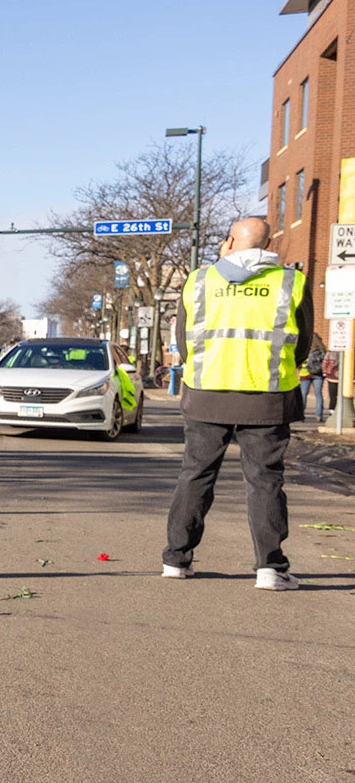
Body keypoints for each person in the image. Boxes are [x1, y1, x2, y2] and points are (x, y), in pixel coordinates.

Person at [163, 216, 311, 590]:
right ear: (267, 244)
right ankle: (269, 569)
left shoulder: (199, 280)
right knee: (264, 482)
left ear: (229, 242)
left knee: (195, 475)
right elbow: (304, 342)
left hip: (206, 395)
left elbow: (183, 339)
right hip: (266, 398)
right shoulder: (290, 281)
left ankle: (177, 561)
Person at [302, 338, 327, 421]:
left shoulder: (305, 349)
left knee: (304, 394)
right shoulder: (323, 349)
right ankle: (319, 415)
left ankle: (301, 415)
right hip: (318, 374)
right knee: (318, 394)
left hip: (305, 374)